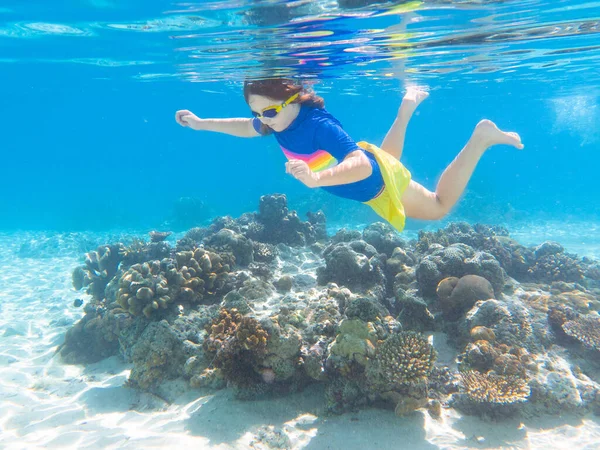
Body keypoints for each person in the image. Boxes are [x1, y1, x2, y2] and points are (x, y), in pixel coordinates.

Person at [175, 78, 523, 232]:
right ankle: (405, 110)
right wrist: (202, 123)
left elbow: (357, 164)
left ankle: (481, 139)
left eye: (267, 112)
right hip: (373, 170)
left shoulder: (319, 125)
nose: (262, 121)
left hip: (375, 183)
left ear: (293, 98)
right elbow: (243, 126)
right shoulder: (279, 119)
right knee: (388, 159)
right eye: (258, 113)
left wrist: (316, 179)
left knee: (437, 207)